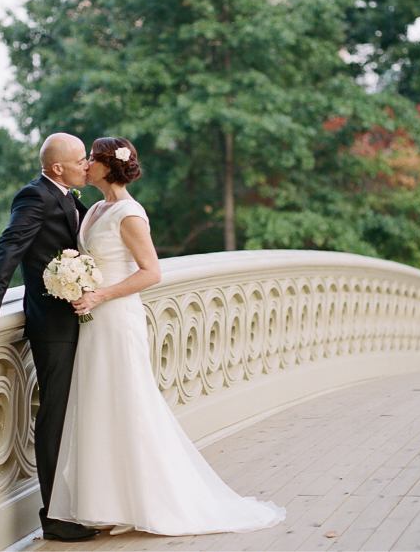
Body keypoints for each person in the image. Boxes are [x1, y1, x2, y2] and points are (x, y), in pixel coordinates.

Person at [47, 137, 286, 536]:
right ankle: (107, 503)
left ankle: (150, 501)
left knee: (128, 404)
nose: (86, 164)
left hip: (116, 318)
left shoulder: (129, 213)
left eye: (92, 158)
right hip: (93, 323)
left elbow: (151, 272)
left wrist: (100, 295)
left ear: (108, 166)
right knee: (99, 406)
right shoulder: (96, 209)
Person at [0, 133, 100, 543]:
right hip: (52, 327)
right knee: (54, 417)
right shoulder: (35, 196)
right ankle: (54, 516)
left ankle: (80, 503)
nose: (87, 165)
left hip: (80, 321)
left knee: (76, 415)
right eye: (80, 159)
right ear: (57, 168)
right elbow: (9, 247)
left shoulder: (69, 196)